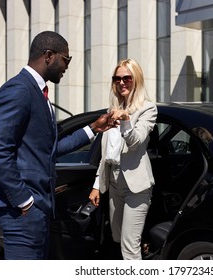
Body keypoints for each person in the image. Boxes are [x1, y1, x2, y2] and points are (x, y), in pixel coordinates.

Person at [0, 31, 112, 260]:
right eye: (66, 59)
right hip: (22, 214)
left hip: (38, 211)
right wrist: (24, 201)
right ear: (49, 55)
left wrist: (93, 128)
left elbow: (50, 149)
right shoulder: (18, 90)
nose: (67, 66)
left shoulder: (39, 93)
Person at [89, 58, 157, 260]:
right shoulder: (112, 109)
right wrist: (96, 183)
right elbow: (107, 153)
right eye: (117, 78)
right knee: (117, 237)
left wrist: (126, 120)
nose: (122, 83)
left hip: (137, 185)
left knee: (129, 246)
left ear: (136, 80)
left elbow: (136, 142)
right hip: (114, 182)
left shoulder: (147, 109)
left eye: (127, 78)